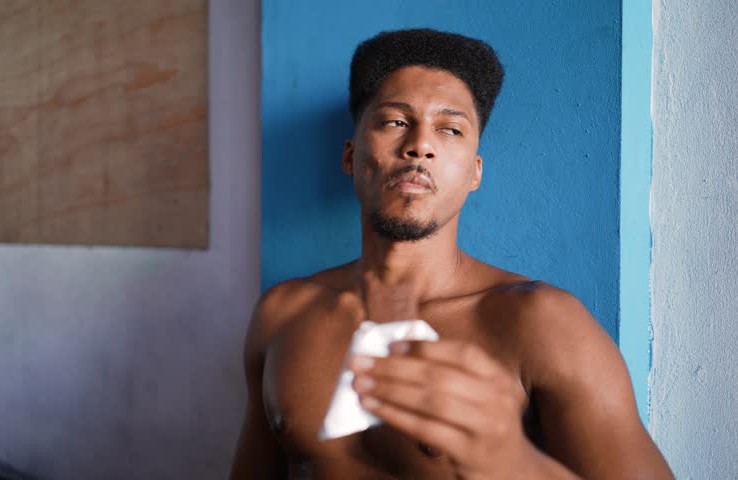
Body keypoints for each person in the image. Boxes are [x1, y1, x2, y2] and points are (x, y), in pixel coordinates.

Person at [230, 28, 674, 479]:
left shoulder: (543, 323)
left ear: (474, 172)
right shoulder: (282, 314)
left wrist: (512, 458)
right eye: (395, 122)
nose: (419, 145)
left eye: (450, 129)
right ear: (349, 156)